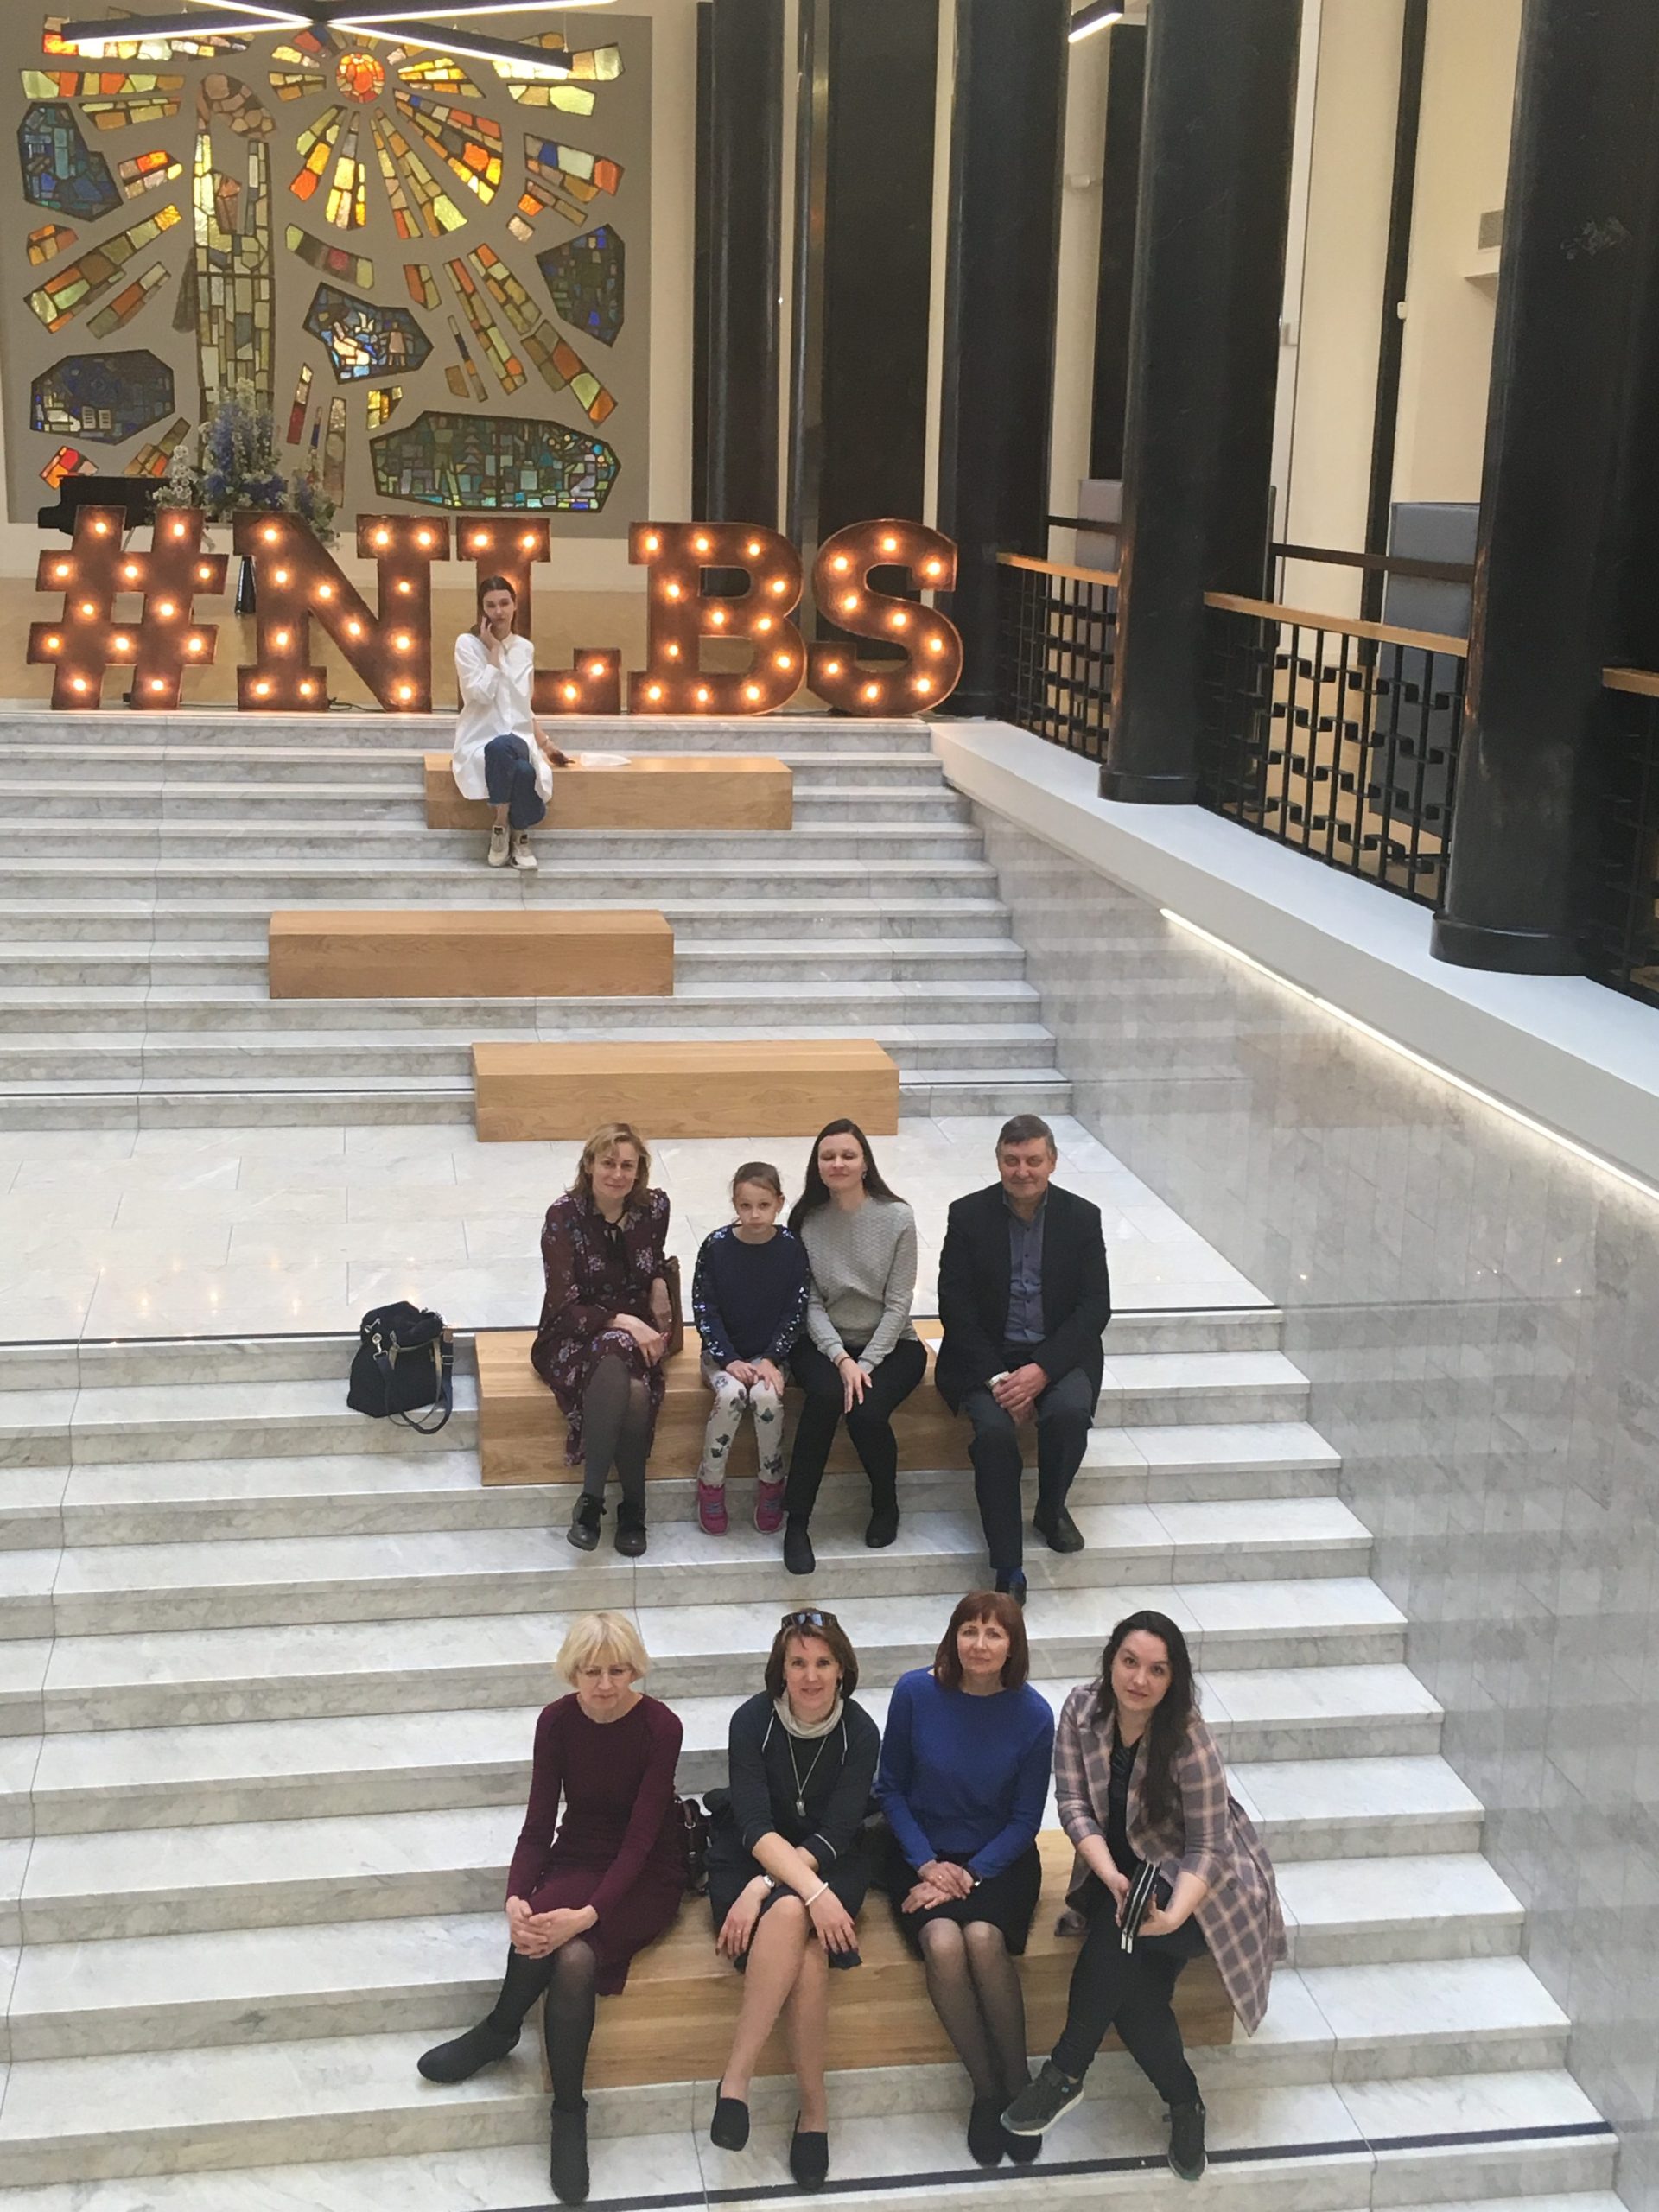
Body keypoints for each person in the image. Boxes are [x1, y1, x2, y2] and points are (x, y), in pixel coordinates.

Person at [1001, 1610, 1283, 2181]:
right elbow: (1073, 1805)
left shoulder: (1188, 1735)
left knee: (1118, 1935)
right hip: (1124, 1872)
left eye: (1157, 1670)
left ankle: (1065, 2072)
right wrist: (1108, 1874)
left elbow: (1209, 1845)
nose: (1140, 1679)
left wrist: (1174, 1913)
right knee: (1134, 1999)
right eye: (1130, 1662)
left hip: (1204, 1888)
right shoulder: (1082, 1709)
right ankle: (1186, 2103)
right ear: (1111, 1661)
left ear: (1173, 1679)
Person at [416, 1611, 685, 2206]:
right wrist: (516, 1895)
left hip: (647, 1872)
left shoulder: (661, 1727)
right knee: (539, 1923)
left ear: (634, 1670)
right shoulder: (556, 1722)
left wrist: (587, 1915)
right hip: (581, 1851)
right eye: (592, 1672)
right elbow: (538, 1824)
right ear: (572, 1672)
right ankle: (501, 2030)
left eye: (618, 1671)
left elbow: (641, 1840)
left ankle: (565, 2108)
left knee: (574, 1957)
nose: (606, 1684)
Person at [875, 1592, 1054, 2168]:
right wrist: (928, 1865)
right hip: (920, 1852)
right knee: (944, 1942)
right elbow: (889, 1789)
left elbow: (1025, 1820)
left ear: (1012, 1646)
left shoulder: (1034, 1715)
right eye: (969, 1630)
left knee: (981, 1937)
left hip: (998, 1858)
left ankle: (1020, 2083)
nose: (979, 1644)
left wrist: (970, 1874)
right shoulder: (914, 1692)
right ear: (953, 1637)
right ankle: (987, 2090)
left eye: (994, 1633)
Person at [707, 1607, 881, 2192]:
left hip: (831, 1860)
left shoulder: (861, 1732)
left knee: (787, 1910)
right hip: (751, 1857)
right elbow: (754, 1826)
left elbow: (838, 1831)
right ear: (780, 1670)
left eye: (823, 1663)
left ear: (842, 1670)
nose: (810, 1676)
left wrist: (783, 1888)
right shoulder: (751, 1721)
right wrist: (795, 1890)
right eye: (798, 1663)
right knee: (804, 1948)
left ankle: (736, 2080)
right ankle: (814, 2112)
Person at [936, 1114, 1113, 1607]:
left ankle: (1051, 1509)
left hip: (1056, 1352)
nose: (1022, 1171)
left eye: (1033, 1160)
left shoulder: (1082, 1218)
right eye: (1011, 1160)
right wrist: (999, 1377)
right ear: (998, 1161)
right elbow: (955, 1306)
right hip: (986, 1355)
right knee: (993, 1435)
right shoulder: (967, 1215)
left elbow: (1095, 1306)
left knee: (1069, 1413)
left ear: (1052, 1162)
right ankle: (1007, 1565)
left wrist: (1042, 1370)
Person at [780, 1119, 925, 1577]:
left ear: (865, 1163)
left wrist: (865, 1362)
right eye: (828, 1157)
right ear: (817, 1166)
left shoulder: (897, 1217)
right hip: (825, 1343)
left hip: (891, 1343)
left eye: (848, 1155)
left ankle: (886, 1504)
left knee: (865, 1412)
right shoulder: (806, 1220)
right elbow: (809, 1302)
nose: (838, 1164)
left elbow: (900, 1303)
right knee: (825, 1397)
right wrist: (841, 1358)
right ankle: (797, 1522)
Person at [531, 1122, 674, 1556]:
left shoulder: (655, 1208)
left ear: (640, 1171)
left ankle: (591, 1506)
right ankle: (629, 1507)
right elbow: (564, 1304)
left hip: (636, 1336)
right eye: (608, 1163)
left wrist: (659, 1283)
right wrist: (625, 1321)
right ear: (589, 1165)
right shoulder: (563, 1216)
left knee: (631, 1382)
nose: (617, 1174)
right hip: (573, 1332)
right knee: (625, 1370)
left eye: (628, 1166)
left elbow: (652, 1259)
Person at [690, 1161, 810, 1536]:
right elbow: (704, 1308)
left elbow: (796, 1310)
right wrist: (728, 1359)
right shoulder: (716, 1246)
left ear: (779, 1203)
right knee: (731, 1396)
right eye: (745, 1206)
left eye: (763, 1205)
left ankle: (772, 1483)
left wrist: (772, 1358)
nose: (755, 1214)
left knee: (766, 1397)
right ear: (735, 1205)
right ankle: (711, 1484)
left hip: (770, 1357)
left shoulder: (791, 1248)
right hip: (722, 1356)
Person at [453, 575, 569, 872]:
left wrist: (547, 745)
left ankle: (500, 825)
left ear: (515, 605)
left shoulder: (524, 648)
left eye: (504, 603)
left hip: (518, 739)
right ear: (482, 609)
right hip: (479, 738)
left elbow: (522, 705)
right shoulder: (467, 645)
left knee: (505, 748)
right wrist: (493, 652)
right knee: (520, 768)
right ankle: (520, 835)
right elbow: (480, 695)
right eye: (490, 605)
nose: (498, 611)